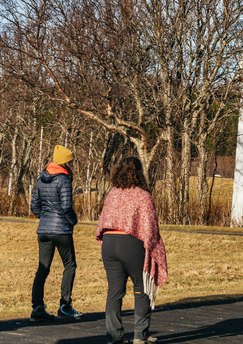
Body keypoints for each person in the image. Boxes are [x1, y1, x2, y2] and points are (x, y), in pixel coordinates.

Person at [96, 157, 168, 344]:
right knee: (142, 289)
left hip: (110, 244)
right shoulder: (143, 195)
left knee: (114, 291)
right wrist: (155, 248)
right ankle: (140, 336)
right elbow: (150, 228)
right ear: (139, 172)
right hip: (132, 245)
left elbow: (102, 221)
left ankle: (114, 337)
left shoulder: (112, 193)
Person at [30, 145, 83, 322]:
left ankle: (37, 308)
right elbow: (67, 206)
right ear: (65, 163)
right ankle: (65, 306)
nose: (72, 165)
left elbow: (34, 206)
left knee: (43, 269)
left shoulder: (41, 178)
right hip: (61, 230)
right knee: (70, 266)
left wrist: (44, 217)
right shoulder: (64, 180)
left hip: (43, 230)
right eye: (70, 161)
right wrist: (73, 221)